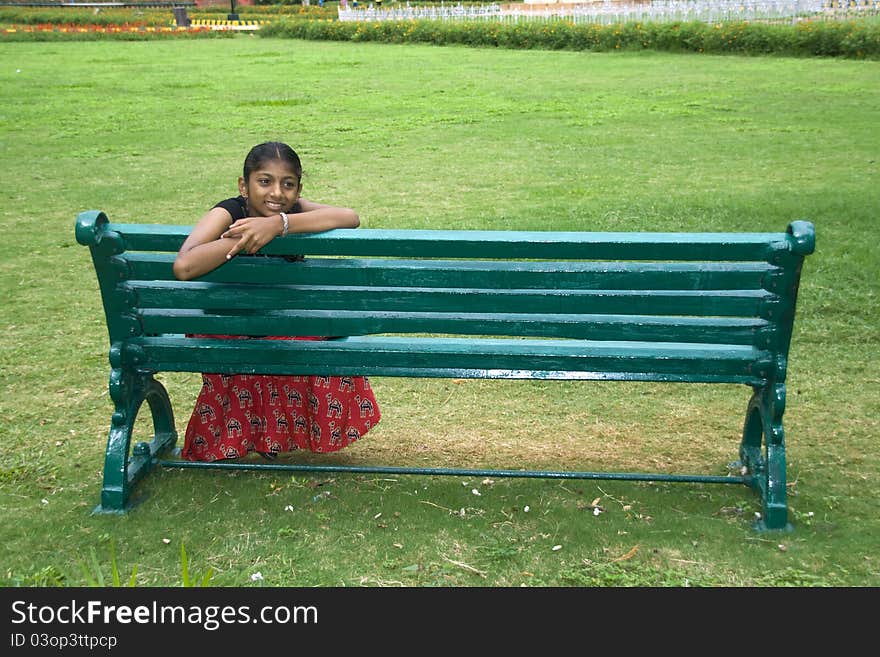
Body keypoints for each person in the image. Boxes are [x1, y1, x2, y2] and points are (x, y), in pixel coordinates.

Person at [173, 141, 381, 462]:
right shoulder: (229, 211)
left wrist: (278, 224)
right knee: (303, 342)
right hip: (232, 327)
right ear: (244, 185)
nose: (277, 193)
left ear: (298, 190)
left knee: (298, 338)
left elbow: (350, 217)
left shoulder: (290, 211)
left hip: (274, 326)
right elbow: (184, 266)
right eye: (265, 181)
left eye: (288, 184)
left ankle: (268, 439)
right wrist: (242, 240)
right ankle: (261, 438)